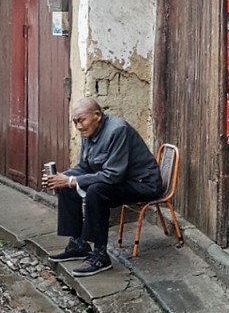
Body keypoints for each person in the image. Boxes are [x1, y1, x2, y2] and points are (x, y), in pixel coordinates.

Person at [43, 97, 163, 276]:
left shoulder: (117, 130)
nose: (78, 126)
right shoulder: (88, 133)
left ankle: (100, 256)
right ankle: (78, 244)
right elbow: (84, 167)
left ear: (97, 115)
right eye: (75, 122)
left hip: (143, 184)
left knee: (96, 191)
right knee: (68, 185)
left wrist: (70, 180)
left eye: (81, 120)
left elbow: (114, 175)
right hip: (121, 181)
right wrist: (60, 178)